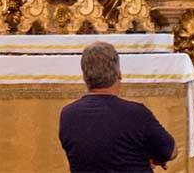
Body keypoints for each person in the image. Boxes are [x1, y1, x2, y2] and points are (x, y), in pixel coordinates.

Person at [59, 41, 177, 172]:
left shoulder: (68, 115)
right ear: (119, 73)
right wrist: (150, 157)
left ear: (85, 77)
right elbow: (170, 152)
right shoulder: (137, 114)